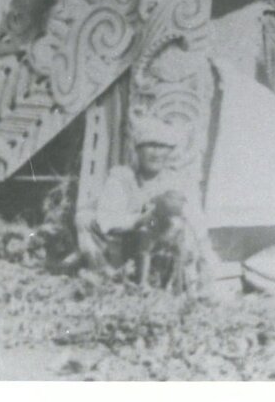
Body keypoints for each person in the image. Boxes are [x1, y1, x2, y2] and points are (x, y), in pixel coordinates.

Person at [81, 118, 210, 290]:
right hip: (125, 250)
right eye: (149, 145)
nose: (156, 153)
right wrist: (141, 219)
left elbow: (198, 225)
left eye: (162, 146)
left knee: (184, 228)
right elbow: (106, 220)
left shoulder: (180, 181)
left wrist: (206, 263)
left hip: (166, 253)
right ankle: (110, 279)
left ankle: (179, 283)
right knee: (84, 219)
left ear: (170, 151)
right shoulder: (122, 178)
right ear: (137, 150)